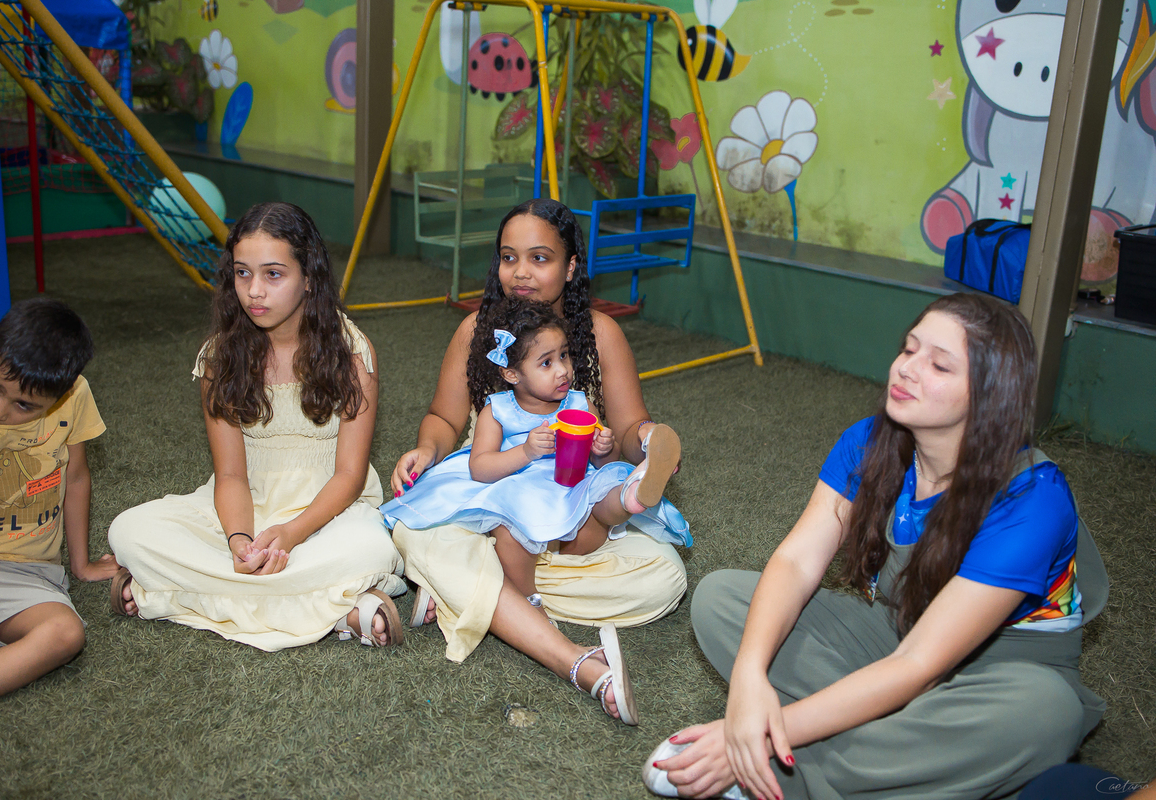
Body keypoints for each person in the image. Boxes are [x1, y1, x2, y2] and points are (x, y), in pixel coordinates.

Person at [643, 293, 1109, 800]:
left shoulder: (1033, 496)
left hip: (1004, 668)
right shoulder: (868, 441)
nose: (907, 368)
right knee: (722, 599)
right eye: (909, 349)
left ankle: (778, 768)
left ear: (990, 395)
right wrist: (750, 677)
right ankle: (893, 754)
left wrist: (749, 736)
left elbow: (919, 665)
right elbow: (796, 562)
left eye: (939, 365)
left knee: (1045, 713)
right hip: (898, 629)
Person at [388, 198, 689, 723]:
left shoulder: (600, 335)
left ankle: (470, 588)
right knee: (414, 528)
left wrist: (644, 438)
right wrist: (427, 450)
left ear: (571, 267)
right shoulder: (477, 331)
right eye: (509, 257)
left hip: (570, 505)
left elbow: (626, 430)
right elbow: (442, 416)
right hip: (491, 495)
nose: (521, 272)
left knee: (665, 576)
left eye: (540, 258)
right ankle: (563, 650)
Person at [108, 201, 406, 651]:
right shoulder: (218, 357)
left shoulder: (352, 352)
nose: (254, 292)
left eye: (273, 274)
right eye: (242, 273)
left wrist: (291, 534)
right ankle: (338, 610)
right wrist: (240, 542)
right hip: (242, 506)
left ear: (309, 277)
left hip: (327, 512)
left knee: (371, 549)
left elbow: (349, 476)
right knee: (129, 531)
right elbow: (230, 475)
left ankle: (168, 594)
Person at [381, 296, 687, 608]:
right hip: (521, 495)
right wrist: (526, 452)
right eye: (546, 363)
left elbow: (603, 464)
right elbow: (480, 468)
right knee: (509, 533)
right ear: (512, 374)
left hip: (573, 496)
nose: (563, 370)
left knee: (604, 492)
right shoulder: (497, 411)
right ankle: (528, 601)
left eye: (564, 355)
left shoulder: (580, 404)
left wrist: (604, 448)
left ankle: (631, 496)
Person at [0, 298, 114, 709]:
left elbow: (76, 478)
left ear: (62, 395)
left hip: (20, 573)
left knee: (65, 634)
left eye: (24, 405)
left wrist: (80, 564)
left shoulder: (74, 398)